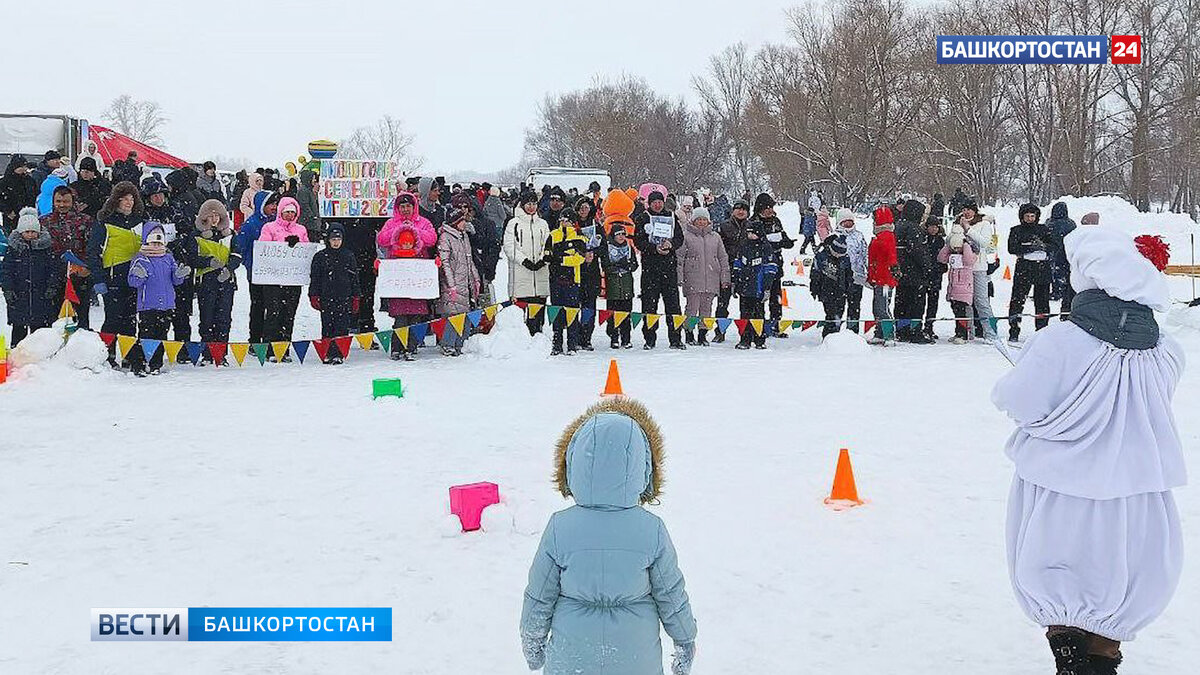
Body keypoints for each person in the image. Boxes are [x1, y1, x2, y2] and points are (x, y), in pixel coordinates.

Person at [993, 226, 1185, 675]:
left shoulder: (1061, 340)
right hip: (1136, 488)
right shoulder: (1165, 349)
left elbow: (1018, 401)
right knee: (1121, 574)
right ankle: (1101, 660)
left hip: (1064, 487)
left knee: (1061, 568)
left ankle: (1069, 657)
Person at [520, 397, 697, 675]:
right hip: (636, 660)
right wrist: (685, 638)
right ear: (643, 467)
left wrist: (532, 641)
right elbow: (670, 593)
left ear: (574, 463)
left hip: (572, 659)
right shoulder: (651, 529)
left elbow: (540, 595)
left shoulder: (560, 527)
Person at [89, 182, 146, 369]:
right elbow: (93, 251)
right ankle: (108, 354)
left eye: (131, 199)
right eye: (124, 199)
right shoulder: (105, 221)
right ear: (116, 200)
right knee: (112, 318)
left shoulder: (140, 221)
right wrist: (98, 279)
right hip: (112, 277)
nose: (128, 203)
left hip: (134, 278)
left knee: (130, 320)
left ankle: (129, 354)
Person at [377, 193, 437, 360]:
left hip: (416, 277)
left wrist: (414, 230)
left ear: (414, 207)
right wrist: (398, 230)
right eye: (402, 206)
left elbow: (432, 239)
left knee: (416, 317)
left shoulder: (423, 223)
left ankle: (411, 347)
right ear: (397, 208)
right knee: (400, 317)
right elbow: (381, 239)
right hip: (398, 277)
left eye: (408, 206)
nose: (405, 209)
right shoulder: (391, 223)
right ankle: (397, 348)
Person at [127, 222, 190, 375]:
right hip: (148, 305)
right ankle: (139, 364)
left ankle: (156, 364)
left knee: (161, 335)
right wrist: (138, 276)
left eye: (159, 242)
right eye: (153, 242)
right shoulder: (141, 259)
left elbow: (175, 280)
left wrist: (179, 274)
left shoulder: (168, 258)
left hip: (166, 305)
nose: (156, 246)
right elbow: (133, 282)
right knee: (146, 336)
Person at [634, 191, 686, 350]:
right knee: (649, 305)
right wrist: (654, 248)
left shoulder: (671, 216)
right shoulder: (643, 218)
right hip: (651, 268)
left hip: (669, 267)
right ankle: (649, 338)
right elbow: (638, 241)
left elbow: (679, 238)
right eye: (654, 202)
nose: (657, 205)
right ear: (649, 203)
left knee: (673, 305)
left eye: (660, 202)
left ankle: (676, 338)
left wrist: (671, 245)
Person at [258, 196, 308, 356]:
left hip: (293, 279)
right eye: (287, 212)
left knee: (289, 314)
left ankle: (284, 348)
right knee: (273, 313)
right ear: (281, 211)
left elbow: (306, 252)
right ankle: (269, 349)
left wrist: (298, 244)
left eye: (293, 212)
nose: (290, 215)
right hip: (273, 279)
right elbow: (263, 248)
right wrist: (283, 244)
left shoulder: (301, 230)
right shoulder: (269, 227)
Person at [2, 208, 60, 345]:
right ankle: (17, 351)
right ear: (21, 232)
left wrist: (52, 285)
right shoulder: (13, 250)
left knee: (40, 331)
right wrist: (8, 289)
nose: (30, 234)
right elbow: (6, 271)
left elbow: (53, 269)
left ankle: (40, 354)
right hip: (19, 295)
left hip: (41, 295)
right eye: (27, 232)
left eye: (33, 231)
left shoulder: (45, 250)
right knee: (19, 329)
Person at [40, 186, 95, 329]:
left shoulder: (86, 220)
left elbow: (93, 248)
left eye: (66, 201)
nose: (62, 205)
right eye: (58, 201)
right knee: (54, 318)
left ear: (73, 202)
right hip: (53, 277)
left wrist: (88, 267)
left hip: (79, 275)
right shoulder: (44, 221)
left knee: (80, 317)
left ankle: (79, 348)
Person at [194, 199, 241, 359]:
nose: (214, 219)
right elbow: (192, 258)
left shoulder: (230, 235)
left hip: (226, 281)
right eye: (210, 215)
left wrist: (229, 268)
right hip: (206, 282)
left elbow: (237, 254)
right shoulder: (197, 236)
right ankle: (207, 353)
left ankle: (221, 353)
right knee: (206, 318)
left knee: (223, 318)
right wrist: (208, 262)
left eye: (217, 215)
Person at [677, 207, 729, 346]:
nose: (701, 222)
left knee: (707, 308)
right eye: (698, 219)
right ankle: (689, 332)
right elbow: (680, 258)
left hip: (711, 278)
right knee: (692, 307)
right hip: (693, 277)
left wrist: (725, 277)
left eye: (704, 219)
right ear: (693, 220)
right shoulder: (686, 236)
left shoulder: (715, 237)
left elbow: (723, 258)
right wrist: (679, 276)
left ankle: (703, 334)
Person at [308, 223, 360, 364]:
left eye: (338, 239)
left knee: (342, 326)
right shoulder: (320, 257)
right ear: (328, 240)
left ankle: (339, 352)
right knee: (327, 326)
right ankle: (327, 352)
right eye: (333, 239)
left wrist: (356, 296)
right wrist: (313, 295)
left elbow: (354, 278)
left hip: (344, 297)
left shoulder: (348, 255)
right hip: (326, 297)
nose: (336, 242)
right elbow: (315, 278)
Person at [503, 191, 552, 336]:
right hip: (521, 273)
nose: (531, 207)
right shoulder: (514, 223)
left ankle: (538, 333)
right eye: (528, 204)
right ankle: (521, 336)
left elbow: (548, 244)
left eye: (534, 204)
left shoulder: (543, 224)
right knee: (521, 308)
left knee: (538, 307)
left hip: (540, 273)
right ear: (523, 205)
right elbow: (509, 246)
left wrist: (544, 259)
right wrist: (524, 260)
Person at [234, 190, 277, 344]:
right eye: (270, 204)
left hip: (273, 273)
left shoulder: (276, 223)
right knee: (258, 306)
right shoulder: (250, 224)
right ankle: (255, 339)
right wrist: (250, 264)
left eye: (275, 204)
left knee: (272, 307)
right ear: (261, 205)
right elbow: (241, 247)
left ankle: (268, 338)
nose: (274, 207)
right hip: (256, 273)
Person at [544, 209, 588, 355]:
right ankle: (557, 344)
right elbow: (547, 256)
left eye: (568, 220)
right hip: (556, 280)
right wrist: (565, 255)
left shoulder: (579, 236)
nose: (564, 223)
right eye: (562, 220)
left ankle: (572, 344)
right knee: (556, 313)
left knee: (572, 312)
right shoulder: (552, 235)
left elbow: (579, 258)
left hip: (572, 281)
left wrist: (561, 259)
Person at [1007, 203, 1053, 344]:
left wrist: (1043, 246)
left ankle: (1041, 330)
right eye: (1027, 216)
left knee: (1042, 302)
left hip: (1041, 268)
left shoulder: (1044, 229)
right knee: (1017, 300)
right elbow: (1012, 247)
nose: (1030, 219)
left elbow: (1054, 245)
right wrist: (1028, 248)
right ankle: (1014, 329)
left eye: (1032, 216)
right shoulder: (1016, 230)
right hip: (1024, 268)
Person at [437, 208, 479, 356]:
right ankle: (448, 343)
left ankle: (461, 343)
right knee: (453, 315)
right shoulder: (445, 237)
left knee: (465, 313)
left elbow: (469, 259)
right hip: (453, 283)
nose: (465, 223)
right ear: (455, 222)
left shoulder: (464, 236)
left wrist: (475, 278)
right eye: (462, 220)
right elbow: (445, 262)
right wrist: (451, 284)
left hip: (465, 280)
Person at [749, 193, 793, 336]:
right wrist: (769, 242)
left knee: (776, 297)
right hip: (760, 265)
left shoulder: (776, 221)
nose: (770, 210)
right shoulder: (753, 222)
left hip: (776, 264)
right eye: (767, 207)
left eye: (771, 207)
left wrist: (786, 242)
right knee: (760, 296)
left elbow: (783, 237)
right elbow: (753, 242)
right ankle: (759, 326)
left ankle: (776, 325)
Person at [732, 218, 779, 350]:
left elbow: (771, 268)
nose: (750, 235)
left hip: (758, 288)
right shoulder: (744, 246)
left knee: (759, 315)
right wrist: (735, 281)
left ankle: (759, 339)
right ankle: (745, 339)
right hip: (745, 288)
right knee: (744, 315)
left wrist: (767, 287)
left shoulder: (766, 247)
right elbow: (737, 264)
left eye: (753, 233)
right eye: (748, 233)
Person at [892, 199, 932, 343]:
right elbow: (918, 250)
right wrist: (927, 267)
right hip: (914, 272)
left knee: (902, 302)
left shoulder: (898, 225)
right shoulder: (913, 228)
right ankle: (915, 332)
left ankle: (902, 330)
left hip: (902, 272)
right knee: (916, 304)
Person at [958, 200, 999, 342]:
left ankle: (991, 333)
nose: (966, 212)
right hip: (962, 268)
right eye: (964, 209)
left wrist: (969, 230)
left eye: (969, 209)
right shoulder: (958, 223)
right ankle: (968, 331)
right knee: (965, 302)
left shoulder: (984, 224)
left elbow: (985, 243)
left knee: (981, 301)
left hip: (979, 267)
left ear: (975, 211)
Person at [714, 198, 751, 340]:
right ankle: (720, 331)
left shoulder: (752, 225)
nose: (741, 211)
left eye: (744, 209)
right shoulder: (724, 226)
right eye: (738, 208)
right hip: (727, 267)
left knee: (746, 303)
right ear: (733, 210)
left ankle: (745, 332)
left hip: (745, 269)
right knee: (723, 302)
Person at [936, 223, 978, 344]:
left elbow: (969, 260)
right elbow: (941, 258)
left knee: (962, 313)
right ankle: (958, 332)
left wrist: (965, 245)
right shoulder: (952, 255)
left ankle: (963, 334)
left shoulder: (968, 255)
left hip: (964, 289)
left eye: (958, 247)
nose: (957, 249)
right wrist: (948, 245)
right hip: (954, 289)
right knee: (956, 311)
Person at [600, 226, 639, 350]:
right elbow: (605, 265)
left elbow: (634, 265)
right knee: (612, 313)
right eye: (618, 234)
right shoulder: (608, 247)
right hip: (613, 284)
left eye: (623, 234)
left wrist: (627, 266)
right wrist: (616, 266)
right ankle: (614, 337)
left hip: (626, 284)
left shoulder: (629, 247)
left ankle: (626, 338)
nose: (621, 237)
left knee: (626, 313)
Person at [573, 197, 603, 350]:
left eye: (586, 207)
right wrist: (581, 253)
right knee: (575, 305)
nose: (583, 211)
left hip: (592, 270)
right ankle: (576, 336)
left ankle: (587, 337)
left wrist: (593, 253)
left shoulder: (596, 225)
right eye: (581, 208)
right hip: (576, 269)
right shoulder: (573, 224)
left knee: (589, 305)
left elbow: (603, 245)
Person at [866, 207, 898, 345]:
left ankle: (889, 335)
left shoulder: (886, 236)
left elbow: (890, 256)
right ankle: (880, 332)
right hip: (879, 277)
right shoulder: (883, 235)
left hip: (885, 279)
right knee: (878, 306)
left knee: (882, 307)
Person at [810, 234, 853, 337]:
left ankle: (835, 333)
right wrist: (814, 289)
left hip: (841, 290)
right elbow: (815, 274)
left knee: (839, 313)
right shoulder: (821, 257)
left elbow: (849, 274)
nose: (838, 256)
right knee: (831, 314)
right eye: (836, 253)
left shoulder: (845, 259)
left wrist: (849, 288)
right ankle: (828, 335)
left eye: (840, 254)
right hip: (825, 290)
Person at [836, 212, 868, 333]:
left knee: (854, 306)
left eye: (851, 221)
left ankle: (853, 331)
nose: (848, 224)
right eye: (845, 222)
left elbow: (865, 254)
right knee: (838, 306)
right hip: (840, 278)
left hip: (857, 277)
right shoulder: (834, 237)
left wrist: (869, 270)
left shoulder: (859, 236)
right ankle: (834, 331)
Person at [1044, 202, 1077, 319]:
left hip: (1051, 254)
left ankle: (1055, 292)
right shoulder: (1071, 224)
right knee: (1068, 284)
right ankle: (1065, 311)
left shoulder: (1049, 223)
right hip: (1066, 255)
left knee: (1052, 275)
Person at [922, 217, 947, 341]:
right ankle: (918, 325)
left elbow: (943, 256)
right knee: (921, 302)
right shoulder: (922, 239)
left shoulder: (940, 241)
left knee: (933, 303)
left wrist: (941, 267)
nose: (934, 229)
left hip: (936, 275)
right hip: (924, 275)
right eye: (931, 226)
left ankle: (929, 326)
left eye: (936, 227)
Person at [0, 155, 38, 232]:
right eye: (21, 166)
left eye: (25, 166)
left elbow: (35, 195)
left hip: (28, 215)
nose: (24, 169)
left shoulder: (30, 180)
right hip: (12, 217)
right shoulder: (5, 181)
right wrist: (7, 211)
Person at [296, 169, 321, 242]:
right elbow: (304, 206)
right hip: (308, 224)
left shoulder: (308, 190)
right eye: (313, 178)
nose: (314, 180)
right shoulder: (304, 190)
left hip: (311, 224)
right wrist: (313, 217)